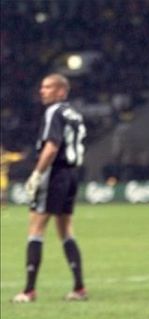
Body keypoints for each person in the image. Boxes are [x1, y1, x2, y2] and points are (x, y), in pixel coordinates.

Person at [12, 74, 88, 303]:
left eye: (47, 87)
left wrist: (36, 174)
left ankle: (29, 291)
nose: (42, 91)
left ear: (61, 92)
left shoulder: (53, 112)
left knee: (35, 228)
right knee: (65, 230)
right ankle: (79, 288)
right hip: (72, 174)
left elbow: (51, 147)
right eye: (42, 87)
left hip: (54, 173)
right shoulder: (74, 114)